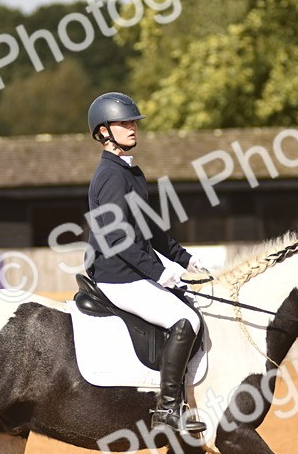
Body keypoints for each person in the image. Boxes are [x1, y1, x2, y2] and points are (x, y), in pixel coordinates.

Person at [85, 92, 212, 434]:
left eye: (133, 123)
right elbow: (118, 238)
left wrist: (186, 259)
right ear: (103, 131)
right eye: (123, 123)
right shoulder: (111, 176)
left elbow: (151, 230)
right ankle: (169, 408)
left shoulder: (130, 173)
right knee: (185, 319)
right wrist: (160, 272)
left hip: (133, 270)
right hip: (119, 276)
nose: (132, 128)